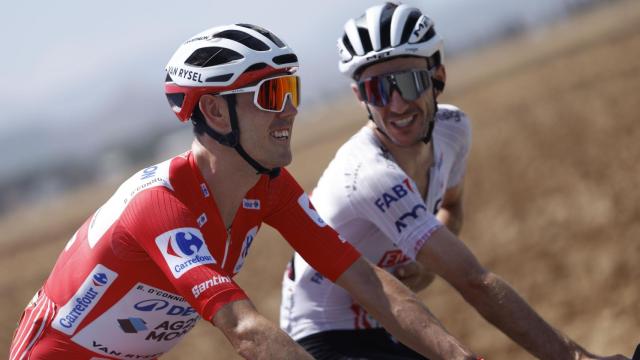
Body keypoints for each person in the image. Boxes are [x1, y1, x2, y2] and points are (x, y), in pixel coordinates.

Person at [8, 23, 484, 360]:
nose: (291, 111)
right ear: (215, 112)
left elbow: (365, 280)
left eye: (291, 90)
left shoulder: (269, 185)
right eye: (272, 95)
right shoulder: (161, 204)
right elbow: (245, 329)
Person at [280, 3, 629, 360]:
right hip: (324, 335)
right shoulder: (370, 174)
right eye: (378, 90)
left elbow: (450, 205)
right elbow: (474, 282)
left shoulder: (453, 130)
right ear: (361, 98)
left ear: (438, 78)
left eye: (409, 81)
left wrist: (423, 264)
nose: (397, 104)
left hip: (387, 319)